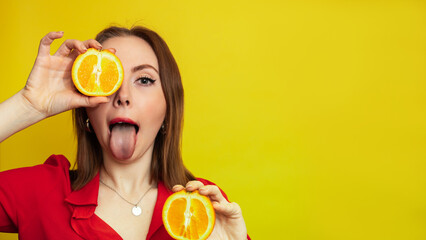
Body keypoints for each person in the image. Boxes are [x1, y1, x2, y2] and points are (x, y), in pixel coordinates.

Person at [0, 26, 249, 240]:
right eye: (109, 80)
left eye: (144, 80)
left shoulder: (203, 208)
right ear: (86, 111)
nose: (123, 97)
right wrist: (28, 104)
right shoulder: (42, 191)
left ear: (168, 106)